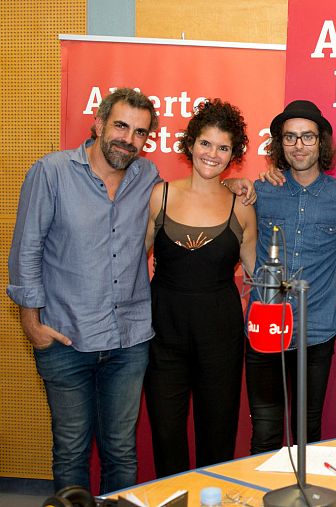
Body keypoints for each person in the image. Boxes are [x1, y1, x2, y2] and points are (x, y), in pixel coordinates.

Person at [7, 88, 254, 493]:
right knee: (71, 449)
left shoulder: (145, 179)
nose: (128, 137)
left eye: (140, 132)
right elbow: (26, 249)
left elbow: (233, 244)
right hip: (68, 335)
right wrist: (30, 322)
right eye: (121, 126)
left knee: (122, 450)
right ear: (99, 123)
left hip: (130, 340)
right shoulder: (52, 172)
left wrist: (240, 185)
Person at [143, 99, 257, 477]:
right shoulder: (159, 196)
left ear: (233, 154)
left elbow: (258, 272)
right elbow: (130, 264)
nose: (213, 154)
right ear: (190, 144)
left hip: (220, 338)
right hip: (163, 336)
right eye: (206, 143)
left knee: (218, 434)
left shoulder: (241, 206)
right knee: (166, 433)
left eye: (223, 147)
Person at [246, 100, 336, 451]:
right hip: (265, 329)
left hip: (316, 331)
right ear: (280, 144)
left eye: (307, 137)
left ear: (321, 143)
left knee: (308, 434)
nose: (298, 145)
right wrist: (235, 182)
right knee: (265, 433)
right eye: (290, 137)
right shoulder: (261, 190)